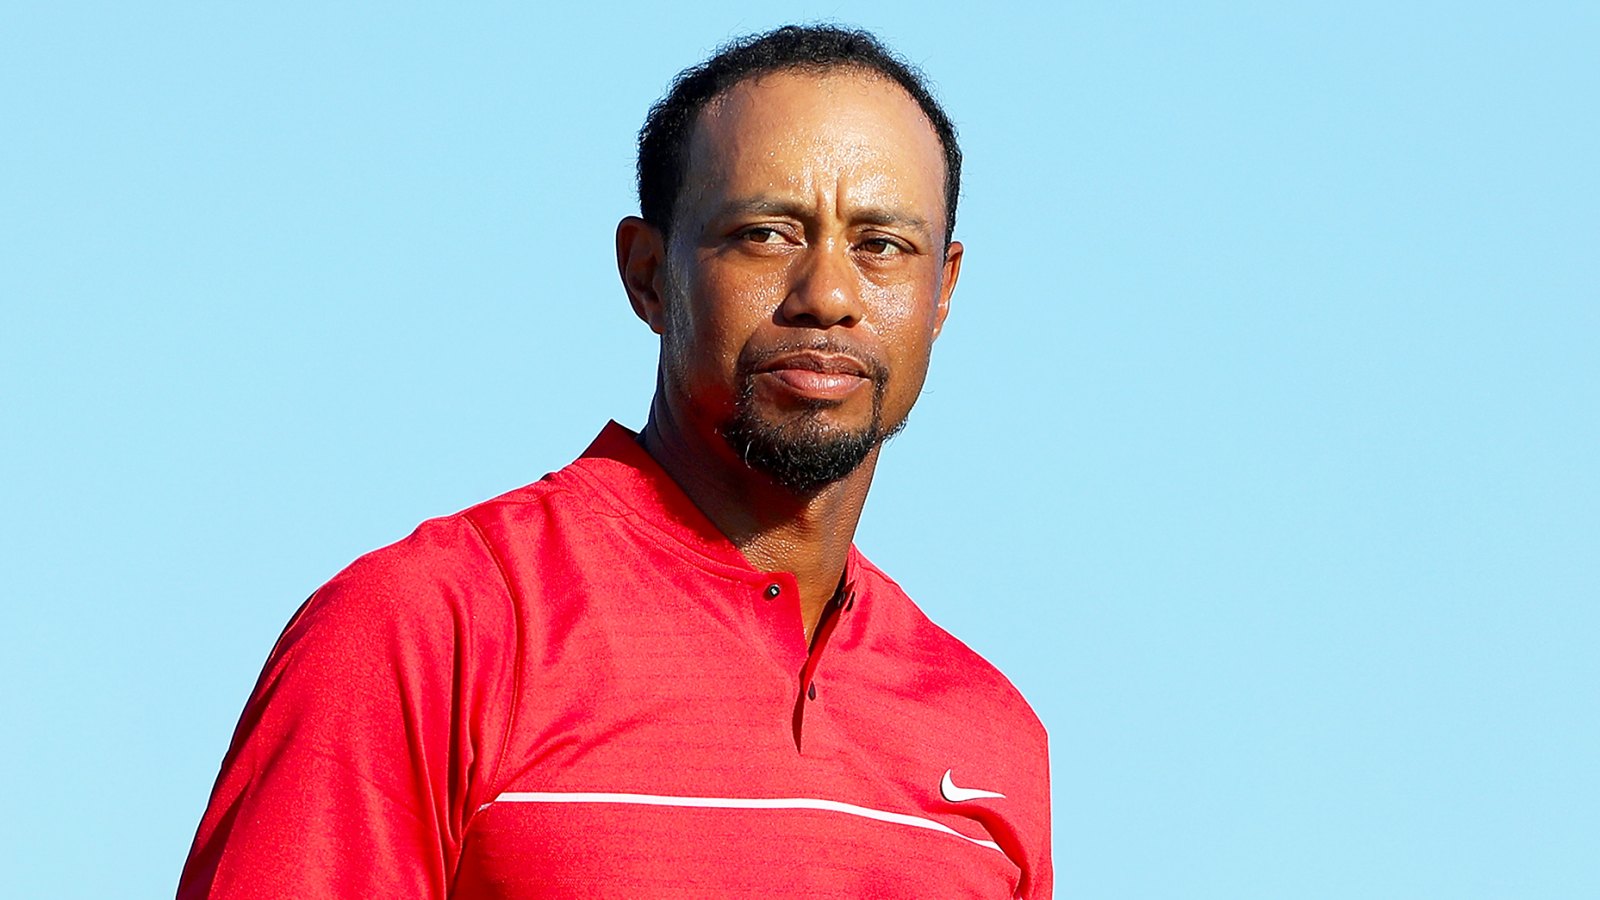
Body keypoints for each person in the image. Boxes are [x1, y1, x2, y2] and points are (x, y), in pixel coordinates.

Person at [178, 24, 1051, 899]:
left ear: (941, 292)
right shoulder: (430, 630)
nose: (827, 293)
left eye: (882, 246)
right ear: (646, 274)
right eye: (765, 233)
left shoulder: (991, 736)